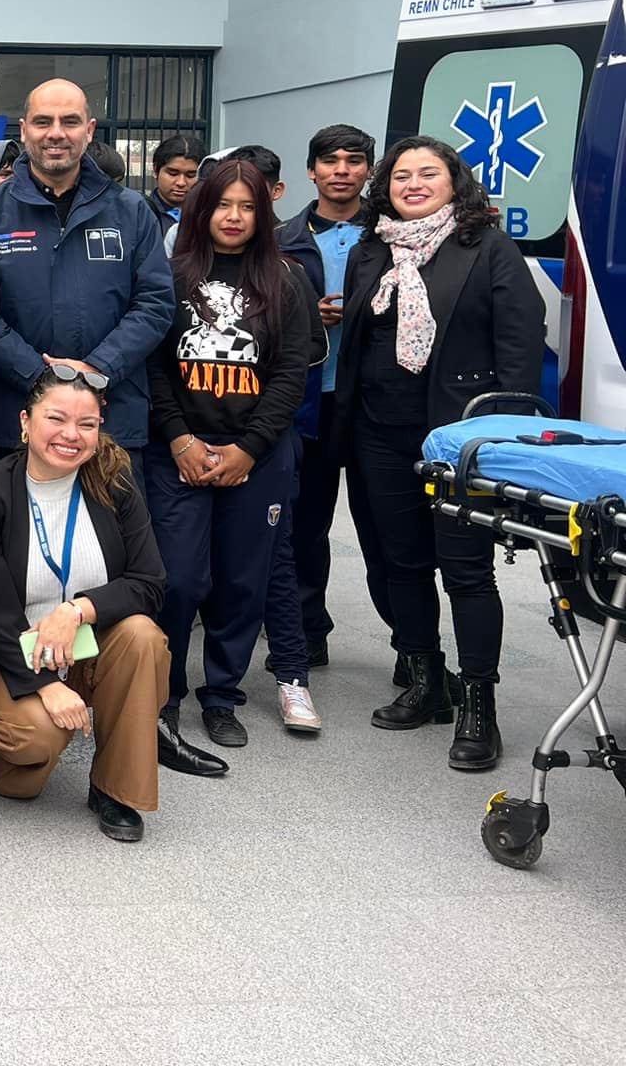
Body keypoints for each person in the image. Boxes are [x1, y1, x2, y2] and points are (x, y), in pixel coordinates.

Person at [337, 137, 543, 771]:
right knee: (401, 563)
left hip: (458, 438)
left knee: (467, 573)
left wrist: (503, 434)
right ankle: (427, 680)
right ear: (385, 186)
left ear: (456, 182)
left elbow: (520, 342)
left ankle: (479, 701)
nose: (414, 183)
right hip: (379, 431)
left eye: (430, 173)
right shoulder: (373, 247)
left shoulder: (488, 248)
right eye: (402, 175)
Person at [146, 158, 316, 768]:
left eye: (247, 206)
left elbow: (292, 372)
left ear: (263, 212)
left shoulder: (286, 280)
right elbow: (155, 368)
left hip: (258, 456)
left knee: (243, 582)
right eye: (223, 205)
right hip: (179, 454)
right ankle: (161, 694)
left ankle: (222, 695)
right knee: (179, 578)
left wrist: (248, 449)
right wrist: (180, 440)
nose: (235, 217)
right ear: (202, 209)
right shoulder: (169, 275)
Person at [0, 368, 170, 841]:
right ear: (25, 422)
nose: (70, 435)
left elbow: (150, 581)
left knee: (142, 635)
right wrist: (43, 683)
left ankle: (116, 790)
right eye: (56, 418)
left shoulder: (113, 483)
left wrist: (76, 610)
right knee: (29, 755)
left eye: (87, 424)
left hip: (88, 642)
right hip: (18, 648)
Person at [0, 80, 175, 464]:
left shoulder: (131, 211)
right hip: (16, 420)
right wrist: (41, 379)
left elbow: (154, 304)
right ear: (24, 130)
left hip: (111, 419)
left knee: (111, 526)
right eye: (43, 122)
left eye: (69, 121)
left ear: (89, 131)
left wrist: (96, 371)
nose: (56, 133)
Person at [276, 124, 376, 667]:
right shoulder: (281, 239)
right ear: (311, 171)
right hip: (308, 398)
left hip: (372, 401)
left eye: (353, 160)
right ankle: (307, 628)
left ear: (367, 170)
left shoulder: (390, 238)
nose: (342, 170)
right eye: (330, 161)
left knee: (386, 529)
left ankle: (413, 646)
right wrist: (302, 316)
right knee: (304, 526)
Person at [147, 134, 205, 229]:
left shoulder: (210, 215)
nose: (181, 183)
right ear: (155, 170)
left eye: (191, 175)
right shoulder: (141, 213)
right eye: (173, 173)